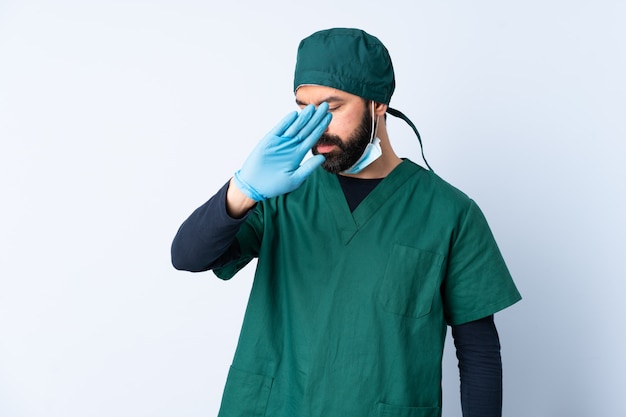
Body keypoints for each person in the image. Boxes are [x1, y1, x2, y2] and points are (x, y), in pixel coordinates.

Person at [171, 28, 521, 417]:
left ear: (378, 105)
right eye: (304, 107)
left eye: (332, 107)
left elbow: (479, 352)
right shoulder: (281, 195)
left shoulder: (449, 212)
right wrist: (243, 188)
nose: (316, 124)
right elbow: (187, 256)